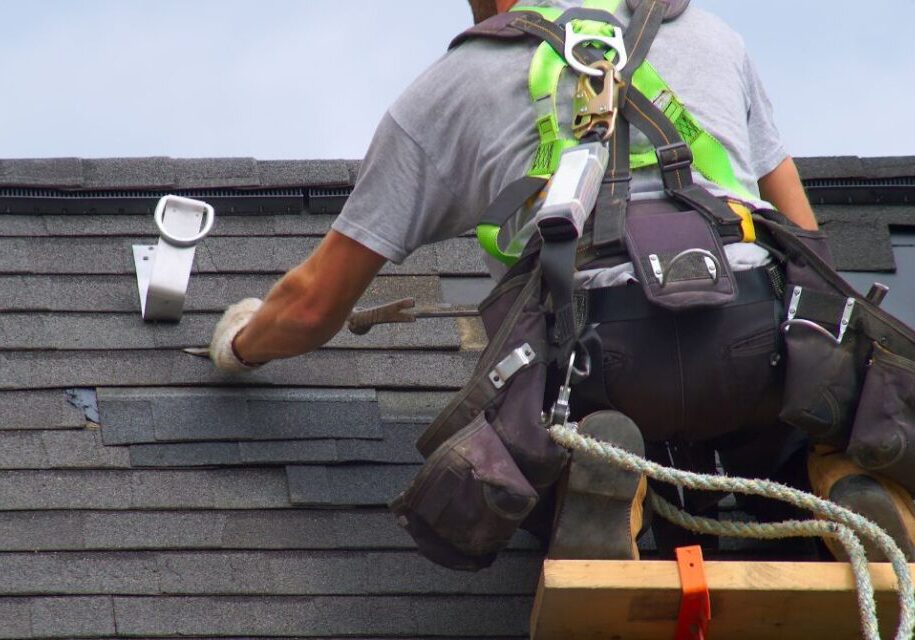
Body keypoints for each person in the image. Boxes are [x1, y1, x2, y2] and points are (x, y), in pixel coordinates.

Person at [209, 0, 915, 562]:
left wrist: (239, 346)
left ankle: (601, 489)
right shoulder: (708, 34)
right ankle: (834, 478)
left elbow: (311, 306)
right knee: (789, 420)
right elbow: (809, 248)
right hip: (756, 341)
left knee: (533, 445)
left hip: (597, 360)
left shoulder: (452, 86)